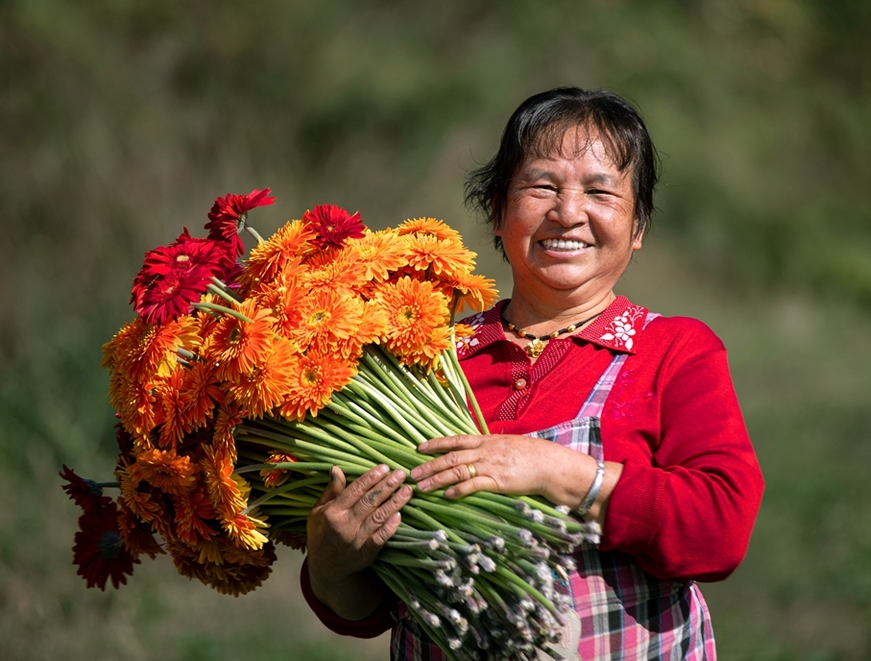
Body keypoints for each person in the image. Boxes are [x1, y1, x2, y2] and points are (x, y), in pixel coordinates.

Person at [300, 86, 765, 660]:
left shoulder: (672, 351)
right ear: (497, 212)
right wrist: (330, 564)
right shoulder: (426, 360)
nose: (568, 212)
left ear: (638, 225)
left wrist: (558, 473)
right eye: (542, 185)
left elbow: (719, 528)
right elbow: (367, 608)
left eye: (600, 190)